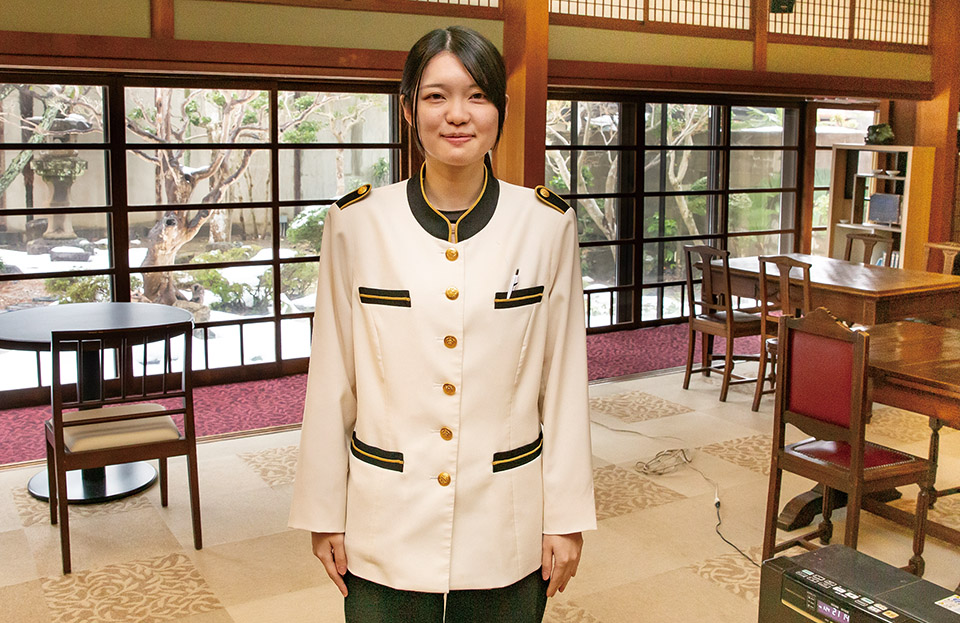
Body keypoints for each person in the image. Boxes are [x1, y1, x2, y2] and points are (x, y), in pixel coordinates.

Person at [289, 25, 596, 623]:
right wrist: (323, 512)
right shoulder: (357, 223)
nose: (457, 114)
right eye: (436, 96)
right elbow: (331, 378)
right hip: (385, 517)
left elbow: (563, 382)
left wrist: (566, 518)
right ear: (409, 108)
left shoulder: (545, 224)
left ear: (499, 110)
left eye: (477, 95)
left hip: (506, 519)